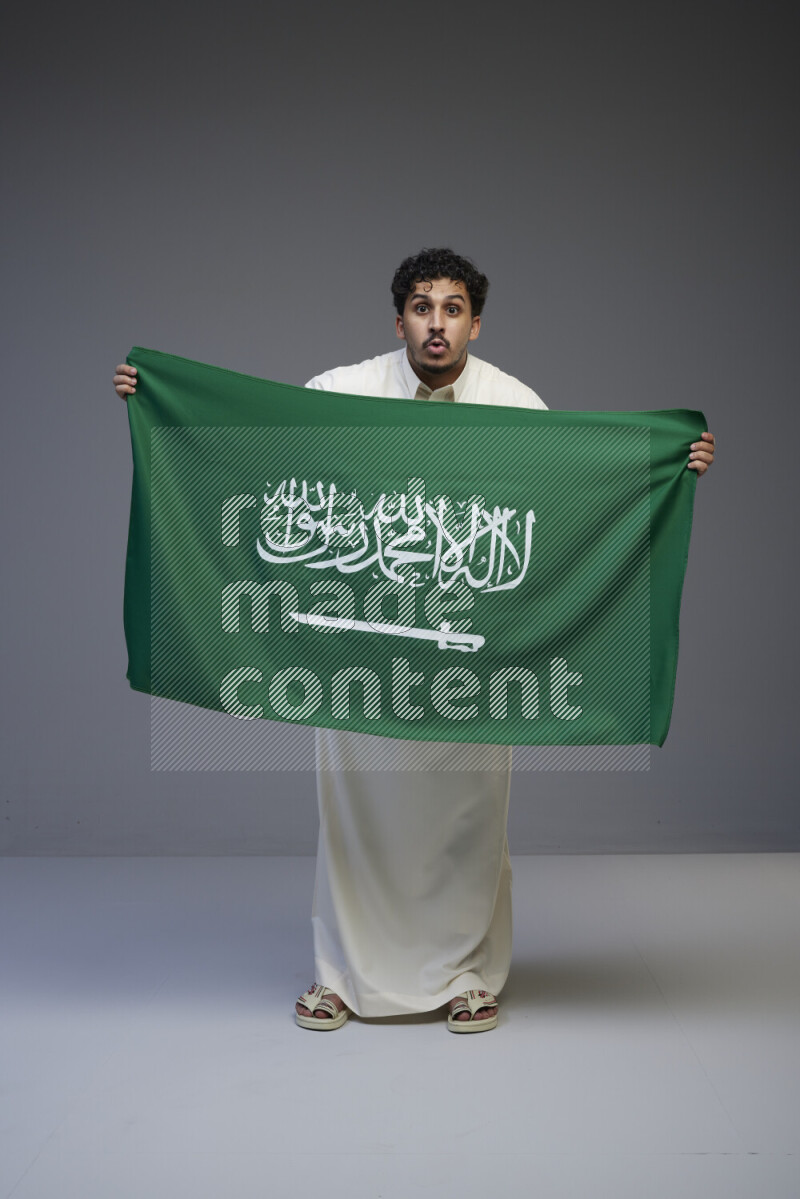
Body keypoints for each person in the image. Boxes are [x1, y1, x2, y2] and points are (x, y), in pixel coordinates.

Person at [113, 248, 716, 1033]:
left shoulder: (512, 401)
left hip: (470, 657)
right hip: (358, 655)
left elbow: (569, 498)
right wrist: (158, 402)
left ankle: (466, 973)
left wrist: (667, 466)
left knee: (467, 816)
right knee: (353, 812)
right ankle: (338, 975)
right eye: (423, 307)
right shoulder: (344, 392)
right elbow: (261, 450)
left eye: (453, 308)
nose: (438, 323)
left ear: (475, 322)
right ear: (399, 320)